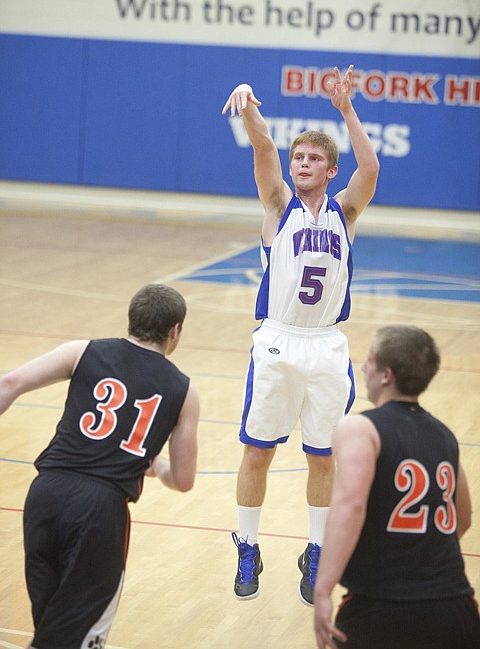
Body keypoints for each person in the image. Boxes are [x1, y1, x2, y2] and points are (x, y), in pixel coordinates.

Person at [222, 65, 380, 605]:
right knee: (258, 453)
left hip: (328, 347)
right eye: (299, 158)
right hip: (278, 341)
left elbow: (371, 166)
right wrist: (249, 107)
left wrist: (347, 110)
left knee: (321, 457)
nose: (303, 164)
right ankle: (247, 542)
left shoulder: (346, 212)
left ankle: (315, 552)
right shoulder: (278, 207)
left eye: (314, 159)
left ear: (330, 170)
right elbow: (264, 150)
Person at [0, 283, 200, 649]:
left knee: (52, 626)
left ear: (132, 320)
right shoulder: (182, 390)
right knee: (74, 636)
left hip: (45, 493)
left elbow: (9, 383)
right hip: (98, 510)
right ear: (175, 331)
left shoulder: (83, 351)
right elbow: (184, 480)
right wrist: (155, 465)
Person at [313, 325, 480, 649]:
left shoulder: (360, 426)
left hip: (381, 607)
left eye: (370, 359)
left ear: (386, 375)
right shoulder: (444, 435)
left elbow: (351, 505)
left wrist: (322, 589)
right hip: (455, 607)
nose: (363, 366)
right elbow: (462, 518)